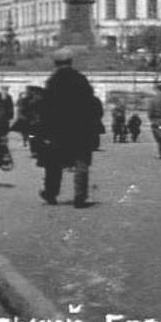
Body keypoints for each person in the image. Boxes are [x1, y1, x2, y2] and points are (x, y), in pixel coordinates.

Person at [36, 48, 103, 208]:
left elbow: (46, 107)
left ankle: (51, 193)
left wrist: (43, 127)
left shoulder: (53, 81)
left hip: (57, 128)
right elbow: (92, 103)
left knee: (53, 162)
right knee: (81, 162)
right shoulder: (81, 80)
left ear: (56, 63)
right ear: (71, 62)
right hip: (81, 127)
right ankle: (80, 196)